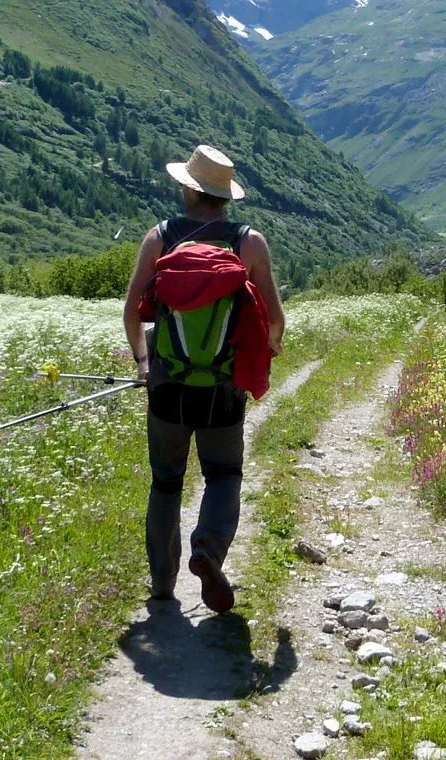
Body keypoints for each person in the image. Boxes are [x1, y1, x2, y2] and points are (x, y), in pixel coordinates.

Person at [124, 145, 285, 614]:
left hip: (167, 387)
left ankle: (161, 585)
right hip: (222, 388)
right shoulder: (249, 242)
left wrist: (143, 363)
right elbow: (274, 319)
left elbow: (133, 311)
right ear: (225, 196)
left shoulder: (160, 238)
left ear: (186, 188)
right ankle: (207, 552)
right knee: (223, 475)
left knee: (166, 483)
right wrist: (261, 353)